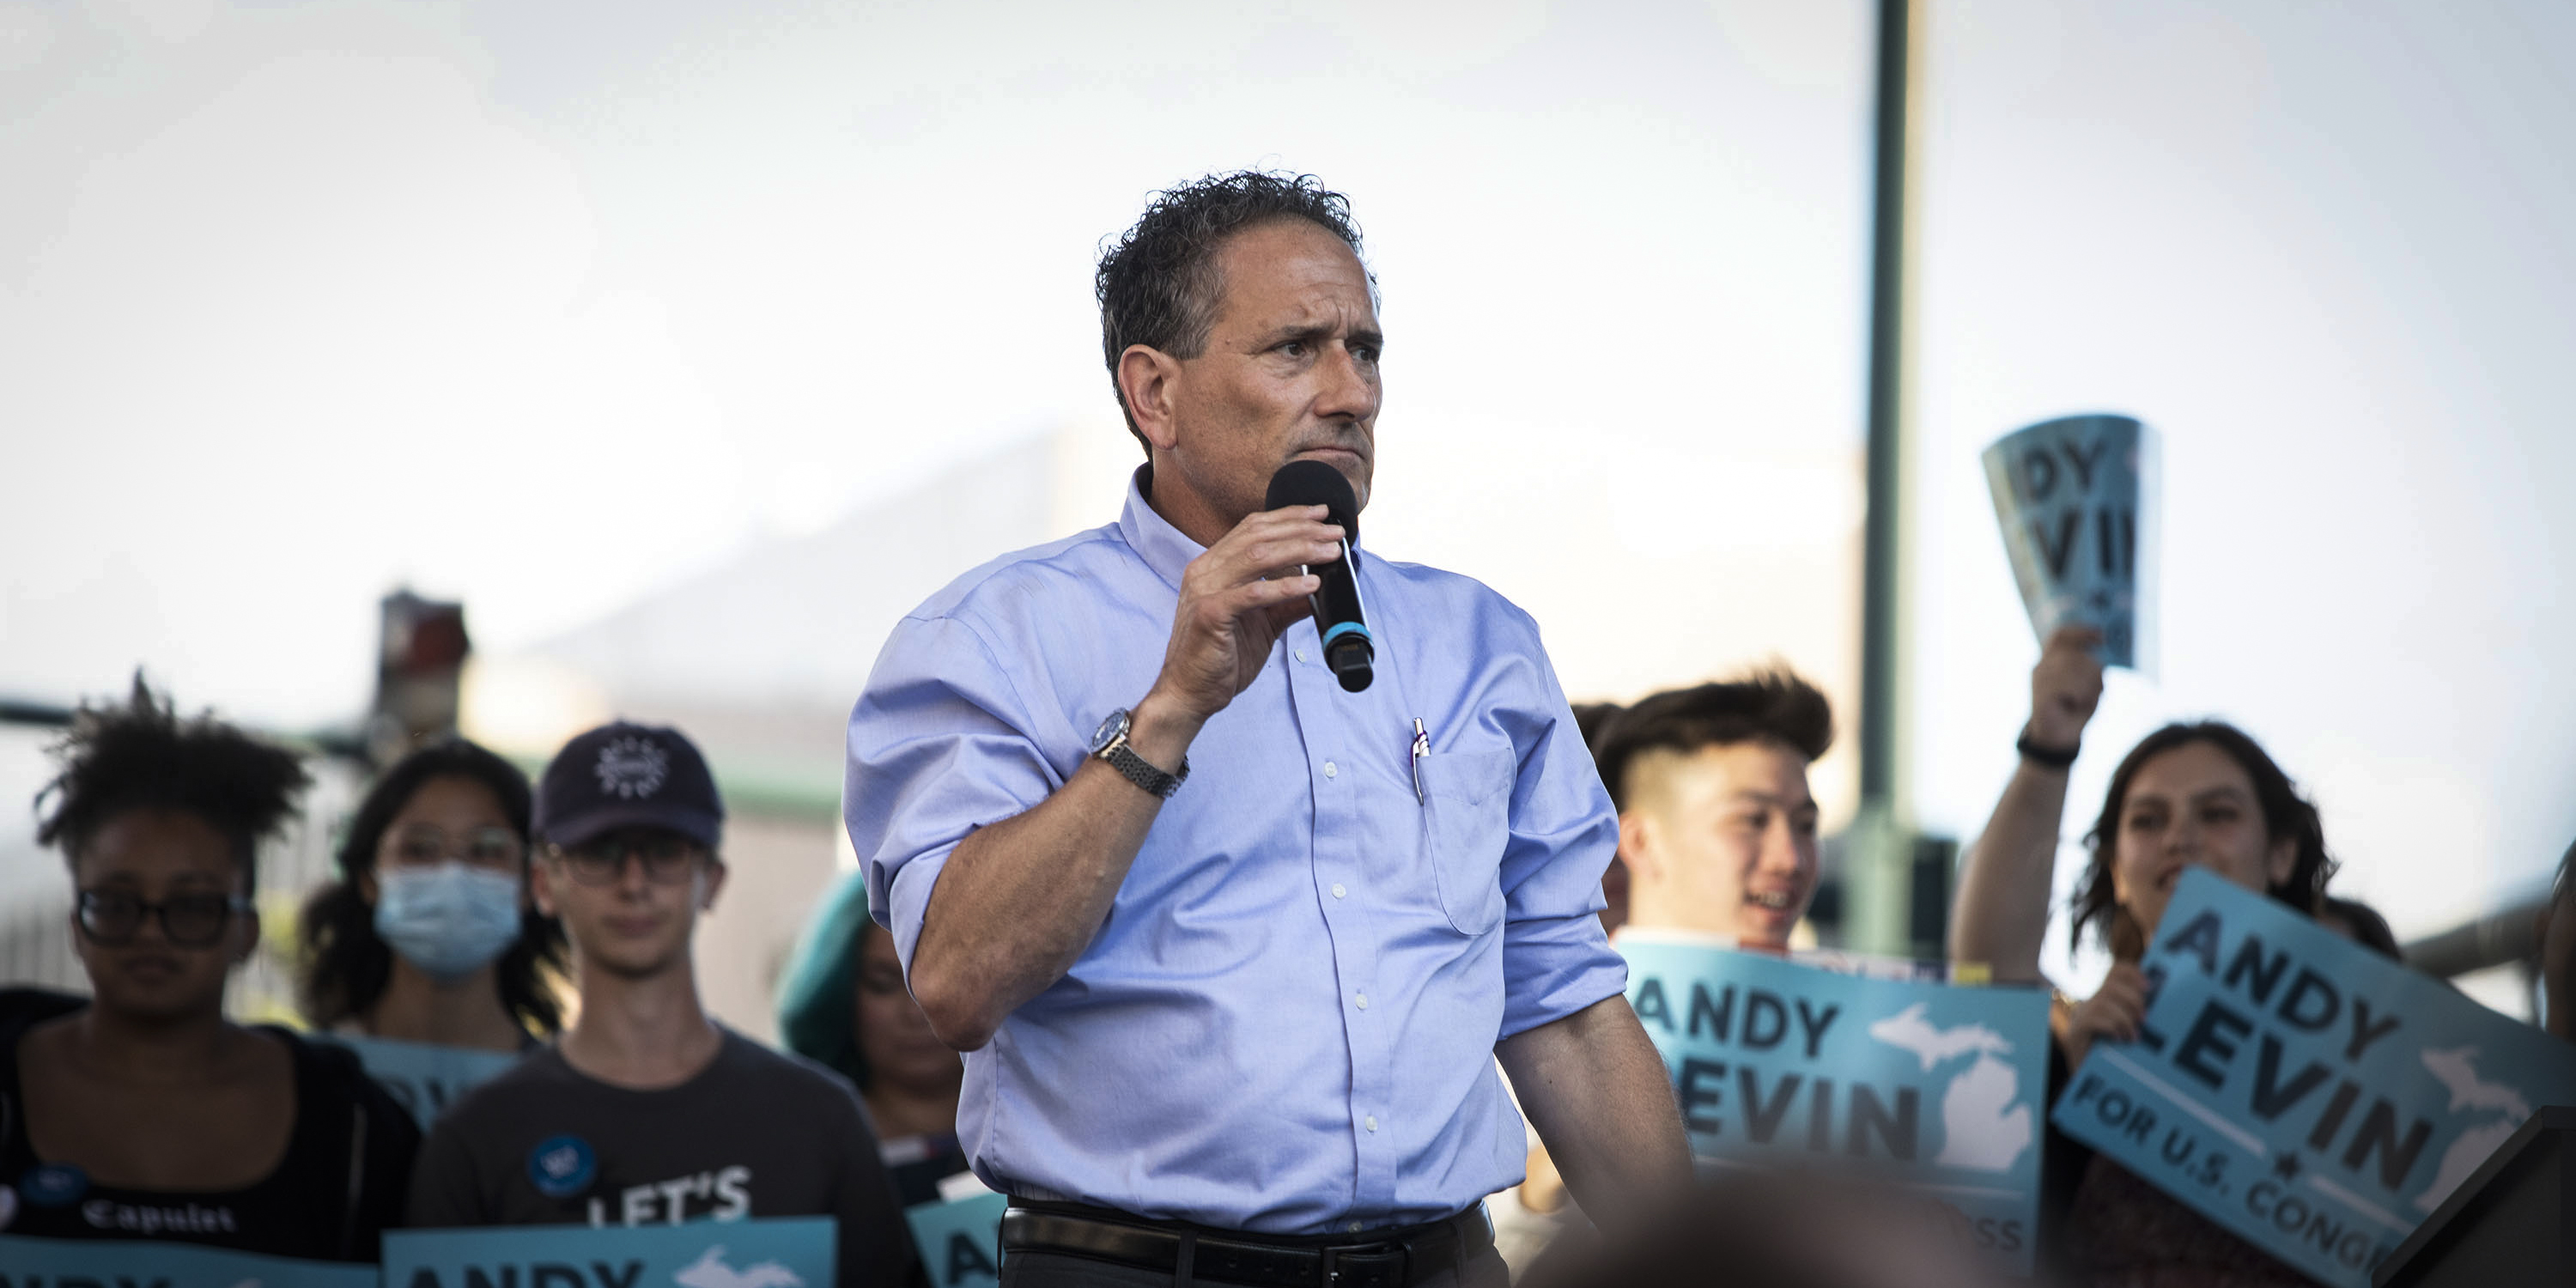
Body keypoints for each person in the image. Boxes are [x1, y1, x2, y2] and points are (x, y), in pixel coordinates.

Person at [845, 171, 1690, 1288]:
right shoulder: (994, 638)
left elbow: (1567, 1012)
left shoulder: (1480, 643)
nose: (1352, 394)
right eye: (1297, 349)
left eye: (1367, 350)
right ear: (1155, 394)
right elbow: (955, 980)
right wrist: (1170, 713)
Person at [406, 721, 918, 1288]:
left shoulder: (821, 1120)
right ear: (544, 884)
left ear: (713, 879)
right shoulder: (476, 1139)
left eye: (665, 851)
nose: (634, 882)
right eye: (600, 853)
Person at [1949, 626, 2352, 1285]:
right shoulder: (2078, 1036)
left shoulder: (2366, 1042)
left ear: (2281, 851)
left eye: (2217, 814)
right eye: (2147, 820)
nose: (2180, 838)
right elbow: (1991, 971)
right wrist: (2050, 743)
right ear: (2114, 869)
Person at [0, 681, 418, 1261]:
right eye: (118, 904)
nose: (151, 931)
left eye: (192, 906)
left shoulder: (351, 1126)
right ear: (77, 924)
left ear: (246, 931)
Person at [298, 738, 568, 1052]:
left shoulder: (561, 1093)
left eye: (486, 850)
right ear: (369, 881)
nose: (452, 873)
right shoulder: (303, 1081)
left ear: (529, 884)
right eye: (420, 849)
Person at [1589, 671, 1833, 950]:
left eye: (1806, 825)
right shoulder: (1570, 992)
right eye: (1752, 821)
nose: (1791, 860)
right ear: (1641, 843)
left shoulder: (1877, 990)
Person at [778, 869, 971, 1206]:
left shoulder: (1048, 1138)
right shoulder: (796, 1144)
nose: (915, 1012)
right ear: (837, 992)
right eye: (883, 985)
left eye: (940, 980)